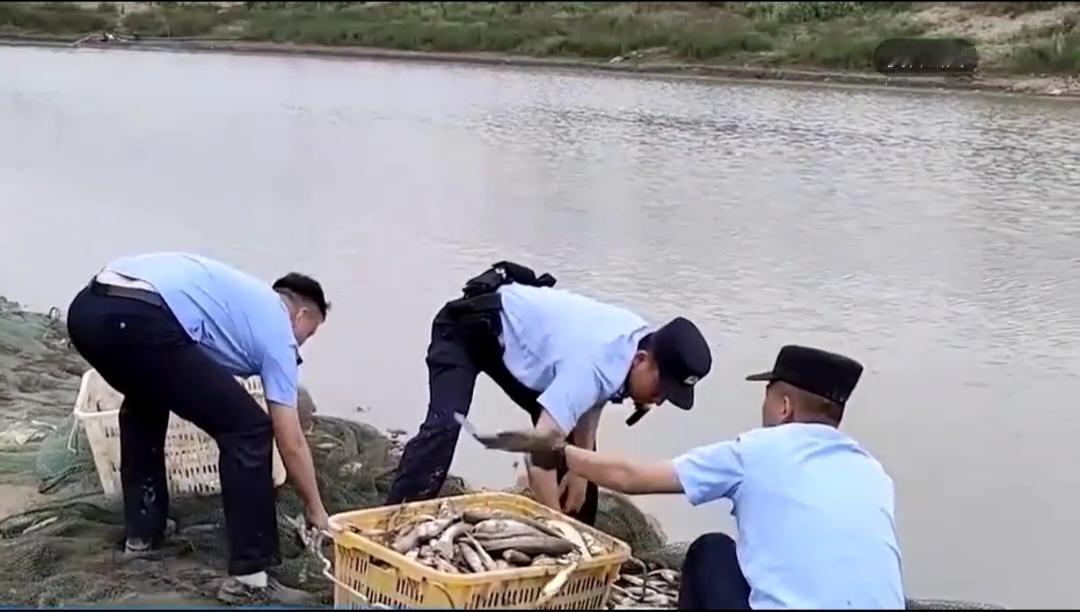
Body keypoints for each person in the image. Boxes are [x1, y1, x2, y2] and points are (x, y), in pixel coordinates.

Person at [514, 345, 906, 609]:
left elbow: (633, 477)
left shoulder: (756, 451)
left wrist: (558, 451)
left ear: (784, 406)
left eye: (767, 394)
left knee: (712, 550)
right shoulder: (873, 473)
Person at [65, 252, 331, 605]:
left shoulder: (243, 300)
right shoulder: (278, 333)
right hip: (140, 318)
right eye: (307, 335)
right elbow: (290, 438)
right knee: (249, 429)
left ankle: (143, 534)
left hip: (88, 311)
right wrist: (315, 508)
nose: (300, 346)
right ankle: (250, 579)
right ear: (301, 314)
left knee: (147, 397)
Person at [386, 261, 713, 525]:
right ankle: (392, 522)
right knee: (445, 426)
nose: (658, 400)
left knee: (579, 460)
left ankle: (579, 545)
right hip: (467, 328)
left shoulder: (635, 342)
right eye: (661, 389)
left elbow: (593, 398)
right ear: (642, 361)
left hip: (519, 344)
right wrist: (555, 526)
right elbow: (537, 449)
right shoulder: (597, 363)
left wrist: (580, 473)